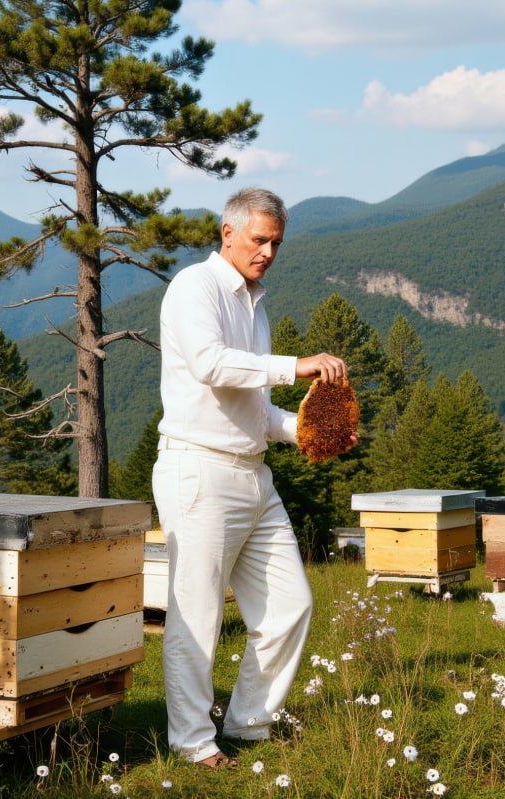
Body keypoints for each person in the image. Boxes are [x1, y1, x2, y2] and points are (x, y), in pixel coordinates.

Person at [152, 187, 354, 769]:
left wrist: (315, 433)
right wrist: (298, 366)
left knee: (291, 605)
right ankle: (191, 743)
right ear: (228, 232)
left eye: (276, 243)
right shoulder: (196, 286)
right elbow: (211, 364)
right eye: (259, 239)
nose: (268, 251)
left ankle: (248, 724)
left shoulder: (254, 304)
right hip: (198, 469)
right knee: (198, 613)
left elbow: (257, 411)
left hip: (252, 475)